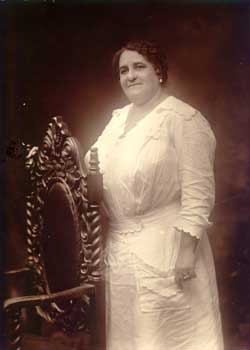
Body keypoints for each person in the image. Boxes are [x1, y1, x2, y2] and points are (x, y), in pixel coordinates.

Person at [85, 40, 224, 350]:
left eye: (139, 67)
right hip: (121, 249)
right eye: (123, 70)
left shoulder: (182, 120)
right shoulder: (118, 119)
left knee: (170, 337)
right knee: (130, 338)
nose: (130, 76)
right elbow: (95, 167)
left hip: (169, 248)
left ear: (158, 71)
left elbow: (198, 192)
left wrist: (186, 251)